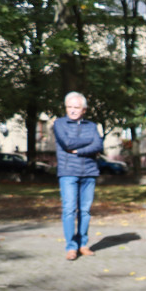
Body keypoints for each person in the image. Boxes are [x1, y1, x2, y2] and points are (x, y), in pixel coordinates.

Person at [53, 92, 103, 261]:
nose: (73, 110)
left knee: (85, 211)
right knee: (69, 210)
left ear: (84, 110)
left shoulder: (91, 125)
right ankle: (71, 247)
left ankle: (83, 244)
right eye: (69, 107)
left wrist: (79, 150)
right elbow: (66, 143)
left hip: (89, 172)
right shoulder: (59, 123)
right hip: (68, 172)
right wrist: (88, 141)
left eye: (76, 107)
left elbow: (99, 145)